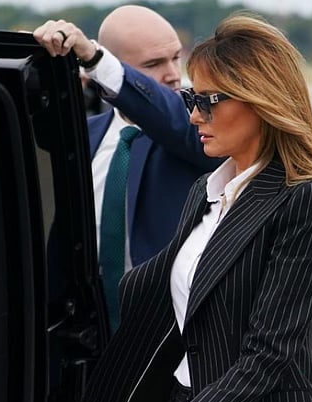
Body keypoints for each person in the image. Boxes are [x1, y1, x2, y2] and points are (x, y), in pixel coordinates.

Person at [58, 13, 312, 402]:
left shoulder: (308, 198)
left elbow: (270, 354)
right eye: (189, 100)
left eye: (207, 101)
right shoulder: (206, 190)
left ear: (258, 100)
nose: (194, 116)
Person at [34, 6, 222, 332]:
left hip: (168, 339)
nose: (173, 74)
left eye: (176, 57)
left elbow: (170, 116)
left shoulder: (199, 133)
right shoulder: (83, 136)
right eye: (152, 64)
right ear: (122, 70)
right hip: (83, 336)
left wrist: (94, 58)